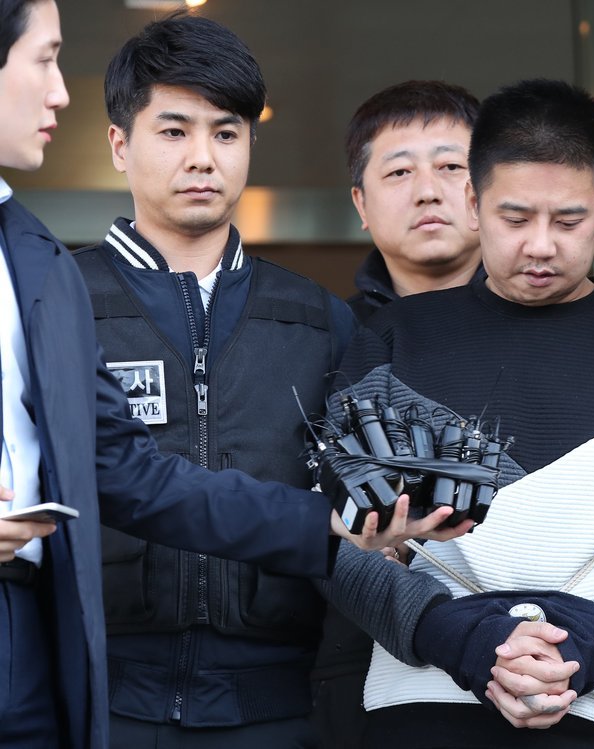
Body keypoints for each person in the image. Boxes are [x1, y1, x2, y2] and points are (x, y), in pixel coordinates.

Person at [319, 78, 594, 748]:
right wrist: (461, 637)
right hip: (423, 707)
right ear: (475, 204)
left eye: (569, 220)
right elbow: (336, 531)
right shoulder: (390, 342)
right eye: (516, 218)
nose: (541, 246)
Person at [0, 2, 349, 746]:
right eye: (173, 131)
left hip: (278, 706)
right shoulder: (50, 294)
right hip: (96, 695)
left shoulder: (320, 320)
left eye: (226, 132)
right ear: (119, 145)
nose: (202, 157)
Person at [344, 80, 485, 322]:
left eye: (451, 166)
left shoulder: (545, 327)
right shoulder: (336, 337)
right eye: (399, 172)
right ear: (361, 205)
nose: (428, 192)